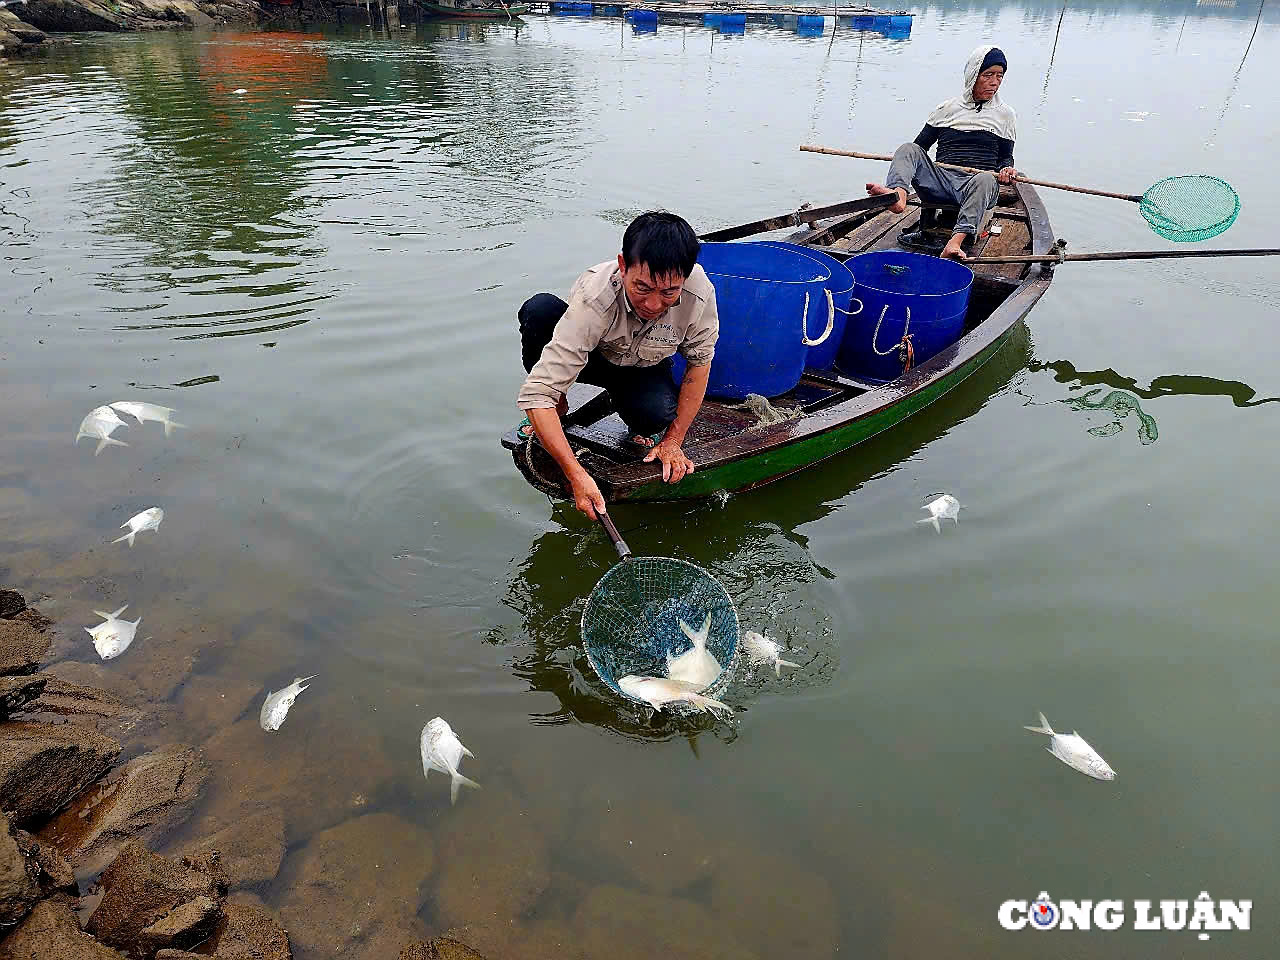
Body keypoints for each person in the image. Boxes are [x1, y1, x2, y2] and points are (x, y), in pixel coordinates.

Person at [516, 211, 719, 519]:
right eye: (642, 288)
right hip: (593, 357)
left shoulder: (699, 293)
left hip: (643, 367)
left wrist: (673, 442)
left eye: (668, 292)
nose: (653, 305)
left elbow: (699, 365)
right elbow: (536, 395)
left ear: (686, 277)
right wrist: (576, 474)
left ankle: (631, 410)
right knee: (540, 311)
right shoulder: (594, 295)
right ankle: (561, 405)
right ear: (623, 266)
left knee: (654, 417)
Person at [865, 45, 1018, 260]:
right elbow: (920, 149)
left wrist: (1006, 169)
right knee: (908, 149)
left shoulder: (1005, 115)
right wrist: (914, 164)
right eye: (988, 75)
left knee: (984, 178)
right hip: (941, 182)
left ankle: (954, 243)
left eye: (999, 76)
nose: (994, 82)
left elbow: (1005, 157)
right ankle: (898, 197)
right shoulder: (947, 109)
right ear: (973, 75)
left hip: (977, 186)